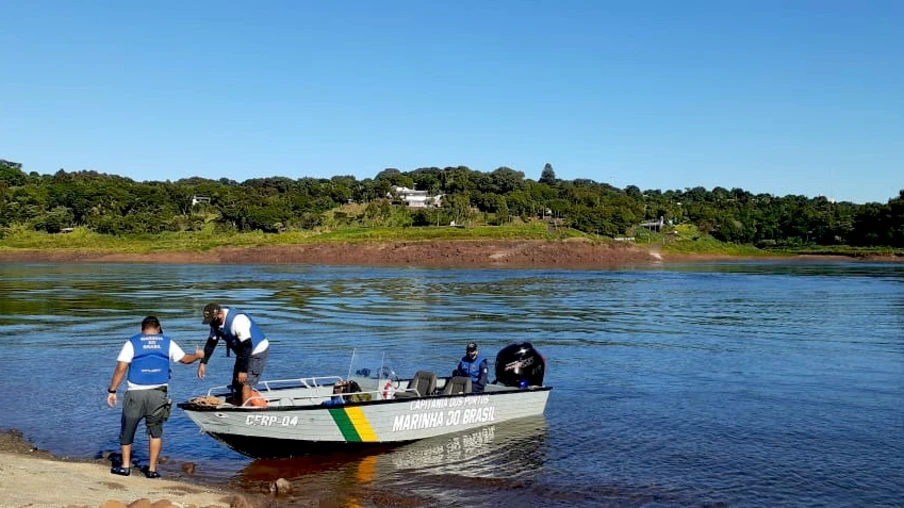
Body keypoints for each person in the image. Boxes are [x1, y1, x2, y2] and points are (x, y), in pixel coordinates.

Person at [106, 316, 203, 478]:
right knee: (155, 432)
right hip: (158, 394)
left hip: (135, 393)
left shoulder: (132, 342)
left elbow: (121, 368)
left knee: (127, 430)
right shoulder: (167, 342)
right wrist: (198, 355)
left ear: (141, 328)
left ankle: (125, 467)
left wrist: (112, 390)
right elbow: (185, 360)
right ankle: (152, 469)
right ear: (158, 328)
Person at [198, 303, 270, 406]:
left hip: (257, 350)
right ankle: (240, 403)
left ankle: (247, 412)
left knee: (245, 384)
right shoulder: (215, 323)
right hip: (242, 353)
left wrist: (243, 370)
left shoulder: (238, 320)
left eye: (212, 320)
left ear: (220, 314)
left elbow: (247, 345)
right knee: (236, 384)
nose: (211, 323)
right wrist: (203, 362)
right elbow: (211, 342)